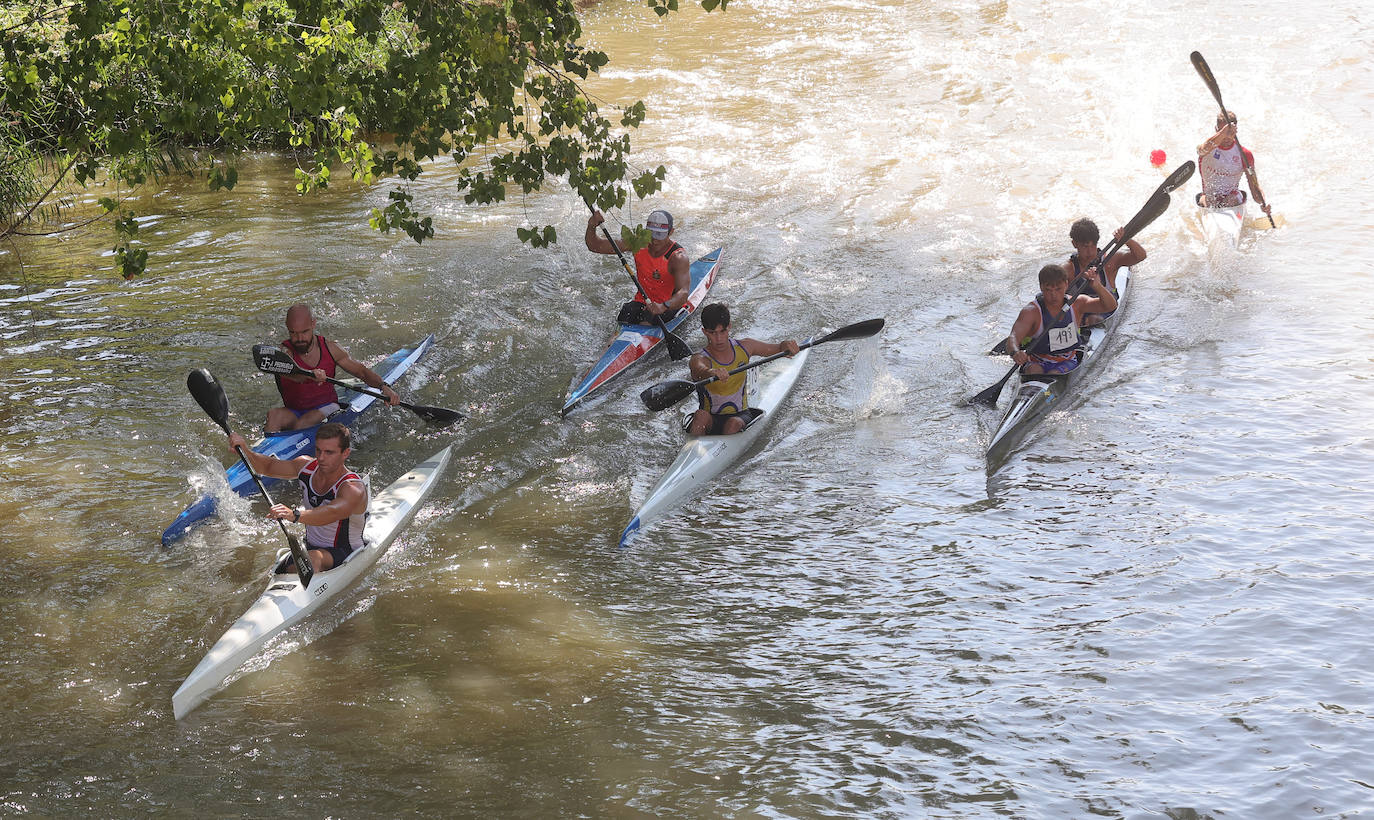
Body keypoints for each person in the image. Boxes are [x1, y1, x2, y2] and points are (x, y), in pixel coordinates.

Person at [227, 423, 368, 576]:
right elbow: (268, 467)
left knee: (313, 559)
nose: (321, 458)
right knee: (275, 571)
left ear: (345, 453)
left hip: (345, 551)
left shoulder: (353, 488)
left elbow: (332, 512)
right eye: (318, 450)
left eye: (329, 452)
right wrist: (245, 450)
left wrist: (295, 515)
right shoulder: (305, 466)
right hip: (309, 548)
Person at [266, 304, 400, 432]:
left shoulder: (331, 349)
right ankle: (263, 454)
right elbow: (291, 374)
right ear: (287, 327)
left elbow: (362, 372)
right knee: (274, 415)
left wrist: (384, 387)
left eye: (305, 331)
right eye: (293, 333)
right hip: (295, 411)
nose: (299, 338)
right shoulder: (283, 353)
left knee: (303, 423)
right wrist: (309, 375)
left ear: (313, 324)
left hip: (327, 406)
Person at [688, 303, 800, 435]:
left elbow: (776, 349)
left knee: (732, 424)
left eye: (722, 331)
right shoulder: (699, 358)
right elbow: (699, 370)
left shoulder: (745, 346)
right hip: (711, 419)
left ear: (729, 326)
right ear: (704, 331)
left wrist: (785, 345)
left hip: (740, 416)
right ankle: (695, 449)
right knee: (700, 415)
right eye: (712, 333)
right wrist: (711, 372)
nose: (718, 339)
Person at [585, 208, 691, 326]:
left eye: (660, 235)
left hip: (667, 306)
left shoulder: (678, 257)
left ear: (671, 232)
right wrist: (591, 226)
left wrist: (664, 306)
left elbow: (684, 293)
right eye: (651, 234)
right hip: (642, 301)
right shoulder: (638, 243)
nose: (654, 240)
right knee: (625, 315)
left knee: (647, 320)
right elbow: (595, 246)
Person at [1006, 264, 1118, 376]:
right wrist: (1015, 352)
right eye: (1048, 290)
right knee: (1034, 371)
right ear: (1041, 287)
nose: (1053, 295)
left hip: (1067, 360)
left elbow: (1111, 306)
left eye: (1058, 289)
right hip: (1037, 361)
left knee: (1053, 373)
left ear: (1066, 284)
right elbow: (1013, 337)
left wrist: (1097, 286)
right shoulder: (1031, 312)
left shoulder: (1078, 303)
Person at [1060, 218, 1145, 327]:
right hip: (1080, 313)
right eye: (1085, 246)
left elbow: (1141, 256)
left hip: (1106, 310)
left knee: (1093, 319)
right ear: (1074, 244)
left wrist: (1126, 239)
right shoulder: (1067, 269)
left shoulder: (1110, 261)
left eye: (1093, 245)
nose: (1090, 252)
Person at [1196, 109, 1272, 219]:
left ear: (1236, 130)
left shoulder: (1245, 155)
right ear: (1216, 130)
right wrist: (1224, 132)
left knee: (1230, 200)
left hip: (1232, 197)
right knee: (1208, 200)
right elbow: (1201, 151)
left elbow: (1255, 187)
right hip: (1209, 197)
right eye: (1223, 132)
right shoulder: (1207, 149)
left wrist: (1263, 203)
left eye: (1230, 133)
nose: (1226, 137)